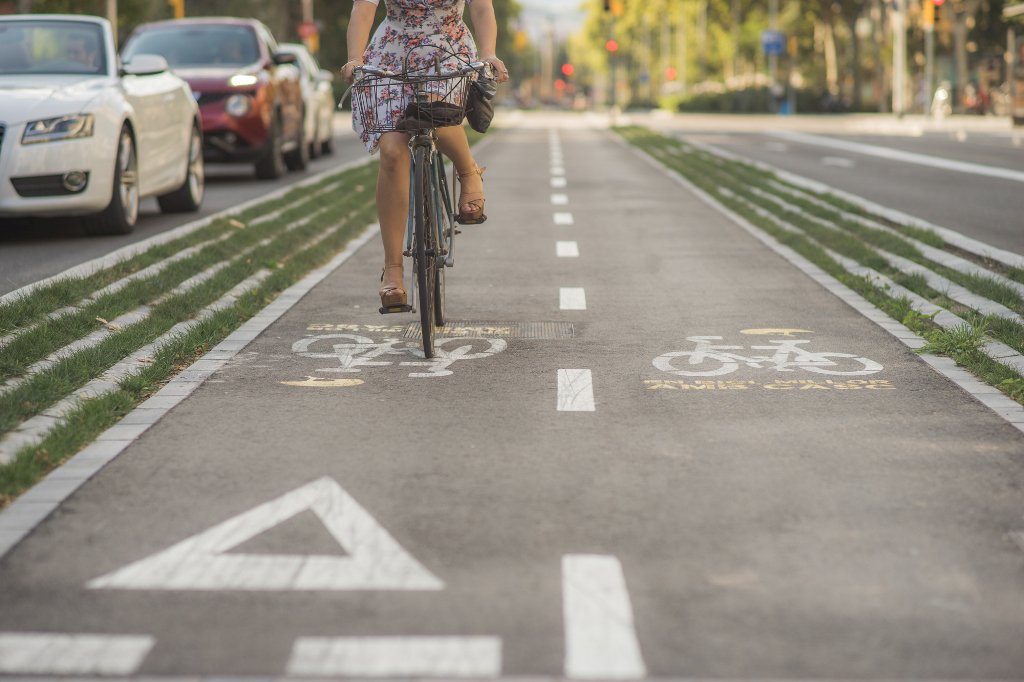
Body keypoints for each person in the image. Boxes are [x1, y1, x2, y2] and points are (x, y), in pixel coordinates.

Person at [342, 0, 509, 309]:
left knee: (434, 113)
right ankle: (393, 271)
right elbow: (363, 8)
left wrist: (488, 53)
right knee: (392, 152)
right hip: (391, 54)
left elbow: (482, 8)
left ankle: (468, 171)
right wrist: (354, 58)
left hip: (448, 53)